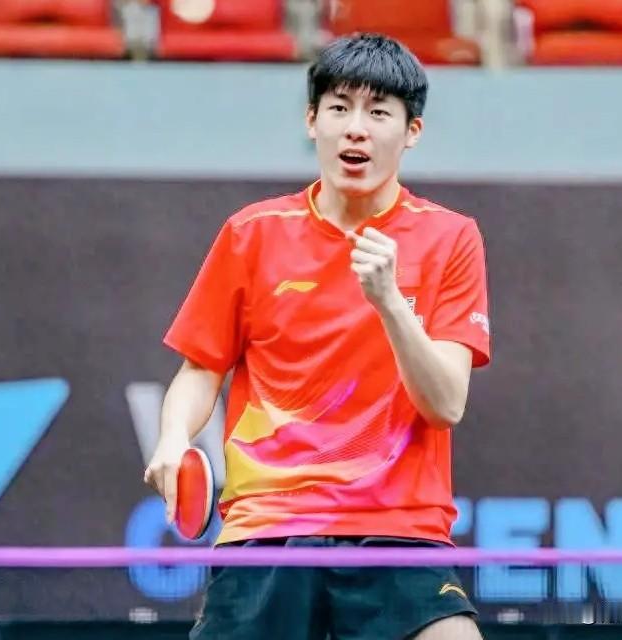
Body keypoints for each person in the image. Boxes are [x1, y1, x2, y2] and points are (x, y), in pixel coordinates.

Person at [144, 33, 491, 640]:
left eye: (378, 112)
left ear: (411, 131)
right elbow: (200, 370)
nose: (356, 128)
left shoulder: (451, 238)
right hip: (270, 525)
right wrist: (173, 438)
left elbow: (446, 404)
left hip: (398, 529)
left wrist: (390, 302)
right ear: (312, 122)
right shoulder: (251, 234)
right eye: (339, 108)